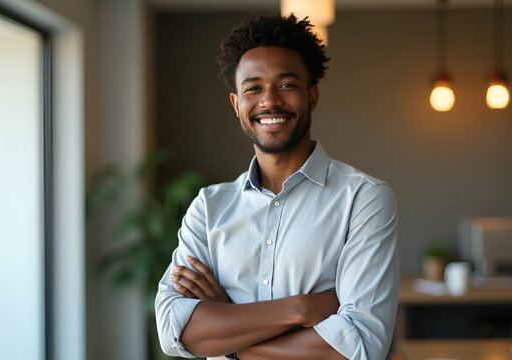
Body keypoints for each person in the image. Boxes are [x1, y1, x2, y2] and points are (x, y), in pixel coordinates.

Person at [155, 14, 399, 360]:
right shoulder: (209, 207)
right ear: (236, 104)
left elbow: (360, 346)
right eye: (253, 88)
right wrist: (300, 309)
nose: (269, 101)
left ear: (312, 95)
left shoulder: (364, 199)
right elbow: (172, 331)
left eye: (286, 85)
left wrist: (229, 333)